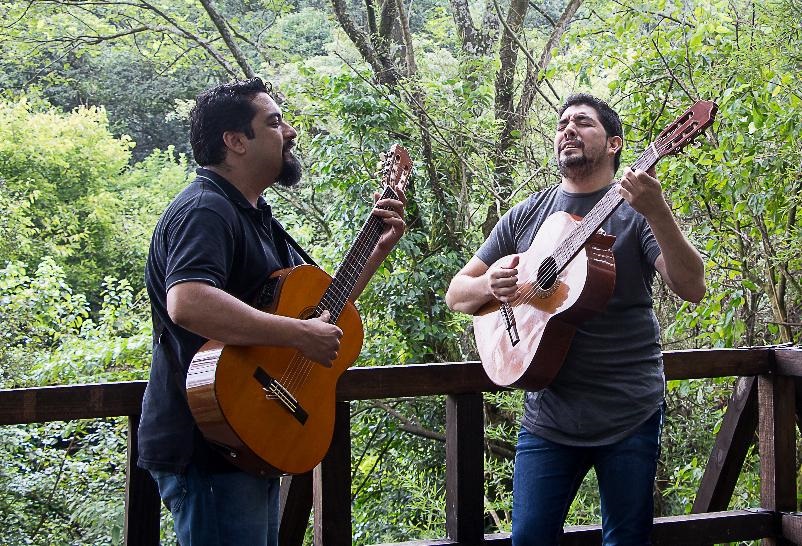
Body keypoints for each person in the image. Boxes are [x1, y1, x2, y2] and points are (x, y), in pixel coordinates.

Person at [137, 77, 406, 546]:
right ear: (235, 141)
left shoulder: (256, 216)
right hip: (208, 442)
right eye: (275, 121)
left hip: (250, 435)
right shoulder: (205, 209)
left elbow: (322, 310)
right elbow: (189, 300)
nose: (291, 132)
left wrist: (376, 251)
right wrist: (299, 335)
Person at [445, 93, 705, 545]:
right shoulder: (528, 214)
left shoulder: (636, 214)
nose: (568, 129)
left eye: (583, 123)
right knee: (528, 539)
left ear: (614, 144)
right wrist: (493, 286)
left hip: (629, 409)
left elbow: (692, 287)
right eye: (563, 123)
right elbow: (457, 293)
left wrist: (658, 211)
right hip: (549, 414)